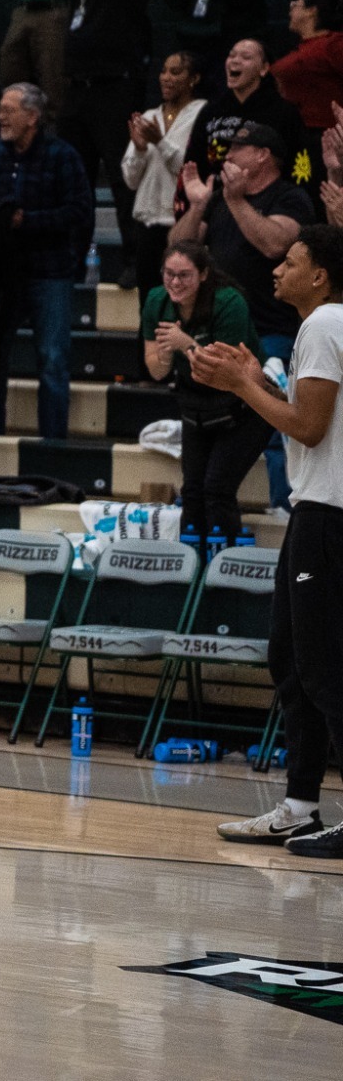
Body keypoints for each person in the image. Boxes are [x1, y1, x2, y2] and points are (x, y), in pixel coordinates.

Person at [192, 226, 343, 858]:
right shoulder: (329, 324)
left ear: (321, 275)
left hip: (329, 520)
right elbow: (309, 418)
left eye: (291, 261)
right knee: (290, 657)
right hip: (313, 513)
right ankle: (300, 806)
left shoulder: (325, 323)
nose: (277, 269)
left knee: (324, 669)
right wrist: (260, 381)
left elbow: (308, 429)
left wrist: (240, 388)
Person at [19, 0, 153, 289]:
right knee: (70, 179)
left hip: (116, 89)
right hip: (77, 91)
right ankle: (69, 261)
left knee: (122, 179)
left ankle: (136, 260)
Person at [174, 122, 321, 509]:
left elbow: (275, 244)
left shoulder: (290, 198)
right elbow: (180, 248)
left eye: (238, 147)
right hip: (223, 327)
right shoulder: (221, 199)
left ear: (262, 155)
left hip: (272, 330)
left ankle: (283, 504)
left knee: (274, 418)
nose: (228, 154)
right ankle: (208, 501)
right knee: (205, 412)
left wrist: (237, 201)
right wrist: (200, 205)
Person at [0, 84, 95, 441]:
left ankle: (53, 444)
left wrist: (28, 221)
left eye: (8, 109)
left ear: (33, 117)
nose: (0, 116)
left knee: (53, 360)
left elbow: (79, 212)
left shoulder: (63, 155)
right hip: (2, 274)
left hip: (50, 270)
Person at [140, 240, 268, 541]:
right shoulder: (157, 300)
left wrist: (185, 344)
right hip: (197, 405)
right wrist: (167, 354)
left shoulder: (228, 302)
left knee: (217, 489)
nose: (174, 282)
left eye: (184, 275)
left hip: (246, 404)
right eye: (168, 273)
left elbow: (229, 373)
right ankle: (192, 570)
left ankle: (227, 569)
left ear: (204, 274)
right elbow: (156, 371)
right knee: (193, 491)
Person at [123, 52, 208, 302]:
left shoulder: (201, 113)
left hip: (182, 224)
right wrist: (139, 149)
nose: (166, 78)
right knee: (149, 303)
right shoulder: (150, 116)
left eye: (176, 72)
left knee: (181, 301)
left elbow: (192, 170)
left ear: (194, 79)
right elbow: (130, 179)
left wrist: (160, 142)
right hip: (148, 224)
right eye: (164, 71)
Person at [183, 38, 307, 184]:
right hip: (215, 200)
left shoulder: (284, 112)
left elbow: (300, 166)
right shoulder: (211, 111)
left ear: (264, 68)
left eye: (246, 57)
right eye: (231, 55)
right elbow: (192, 163)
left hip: (266, 202)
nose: (235, 61)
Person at [274, 0, 343, 182]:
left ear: (311, 10)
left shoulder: (334, 44)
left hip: (323, 139)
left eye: (296, 4)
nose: (290, 7)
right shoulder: (301, 49)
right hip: (293, 137)